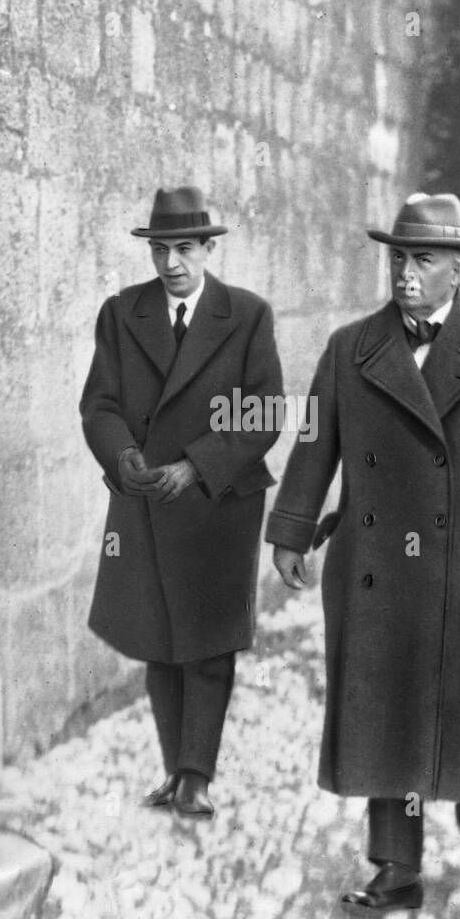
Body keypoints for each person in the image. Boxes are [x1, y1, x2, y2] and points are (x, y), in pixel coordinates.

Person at [268, 193, 460, 915]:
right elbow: (314, 443)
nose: (404, 274)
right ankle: (395, 866)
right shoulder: (350, 348)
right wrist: (292, 529)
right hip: (376, 566)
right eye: (397, 258)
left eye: (422, 260)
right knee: (384, 707)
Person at [80, 186, 283, 818]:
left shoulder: (246, 315)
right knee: (156, 640)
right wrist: (124, 459)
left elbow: (264, 412)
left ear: (208, 249)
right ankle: (174, 770)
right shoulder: (122, 314)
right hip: (144, 498)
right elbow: (100, 405)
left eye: (185, 249)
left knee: (207, 643)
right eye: (161, 250)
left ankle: (197, 774)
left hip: (216, 500)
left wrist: (195, 465)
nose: (172, 264)